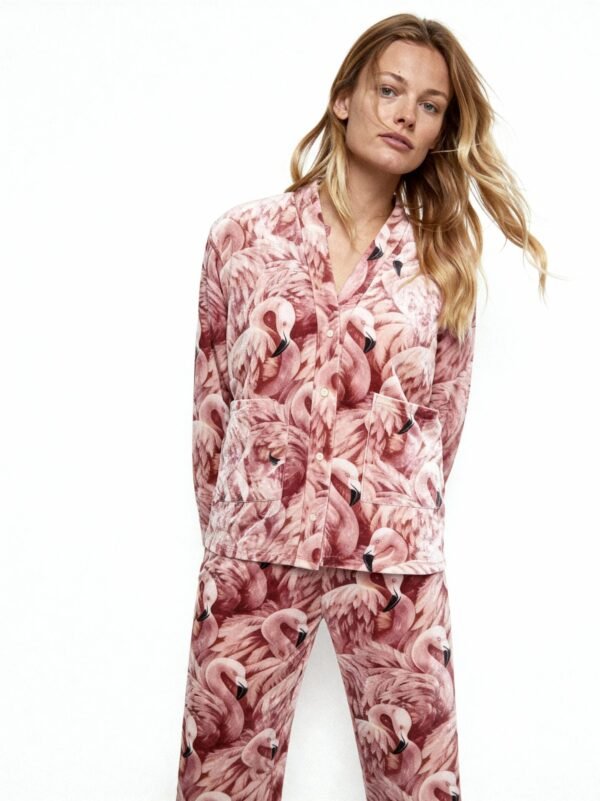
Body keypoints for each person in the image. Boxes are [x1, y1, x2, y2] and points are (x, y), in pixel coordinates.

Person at [175, 13, 548, 801]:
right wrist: (239, 528)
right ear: (345, 98)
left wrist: (388, 505)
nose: (406, 114)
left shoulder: (443, 259)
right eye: (389, 90)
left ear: (441, 130)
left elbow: (441, 418)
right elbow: (212, 406)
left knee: (419, 786)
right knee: (217, 785)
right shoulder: (242, 239)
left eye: (430, 105)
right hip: (251, 554)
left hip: (395, 561)